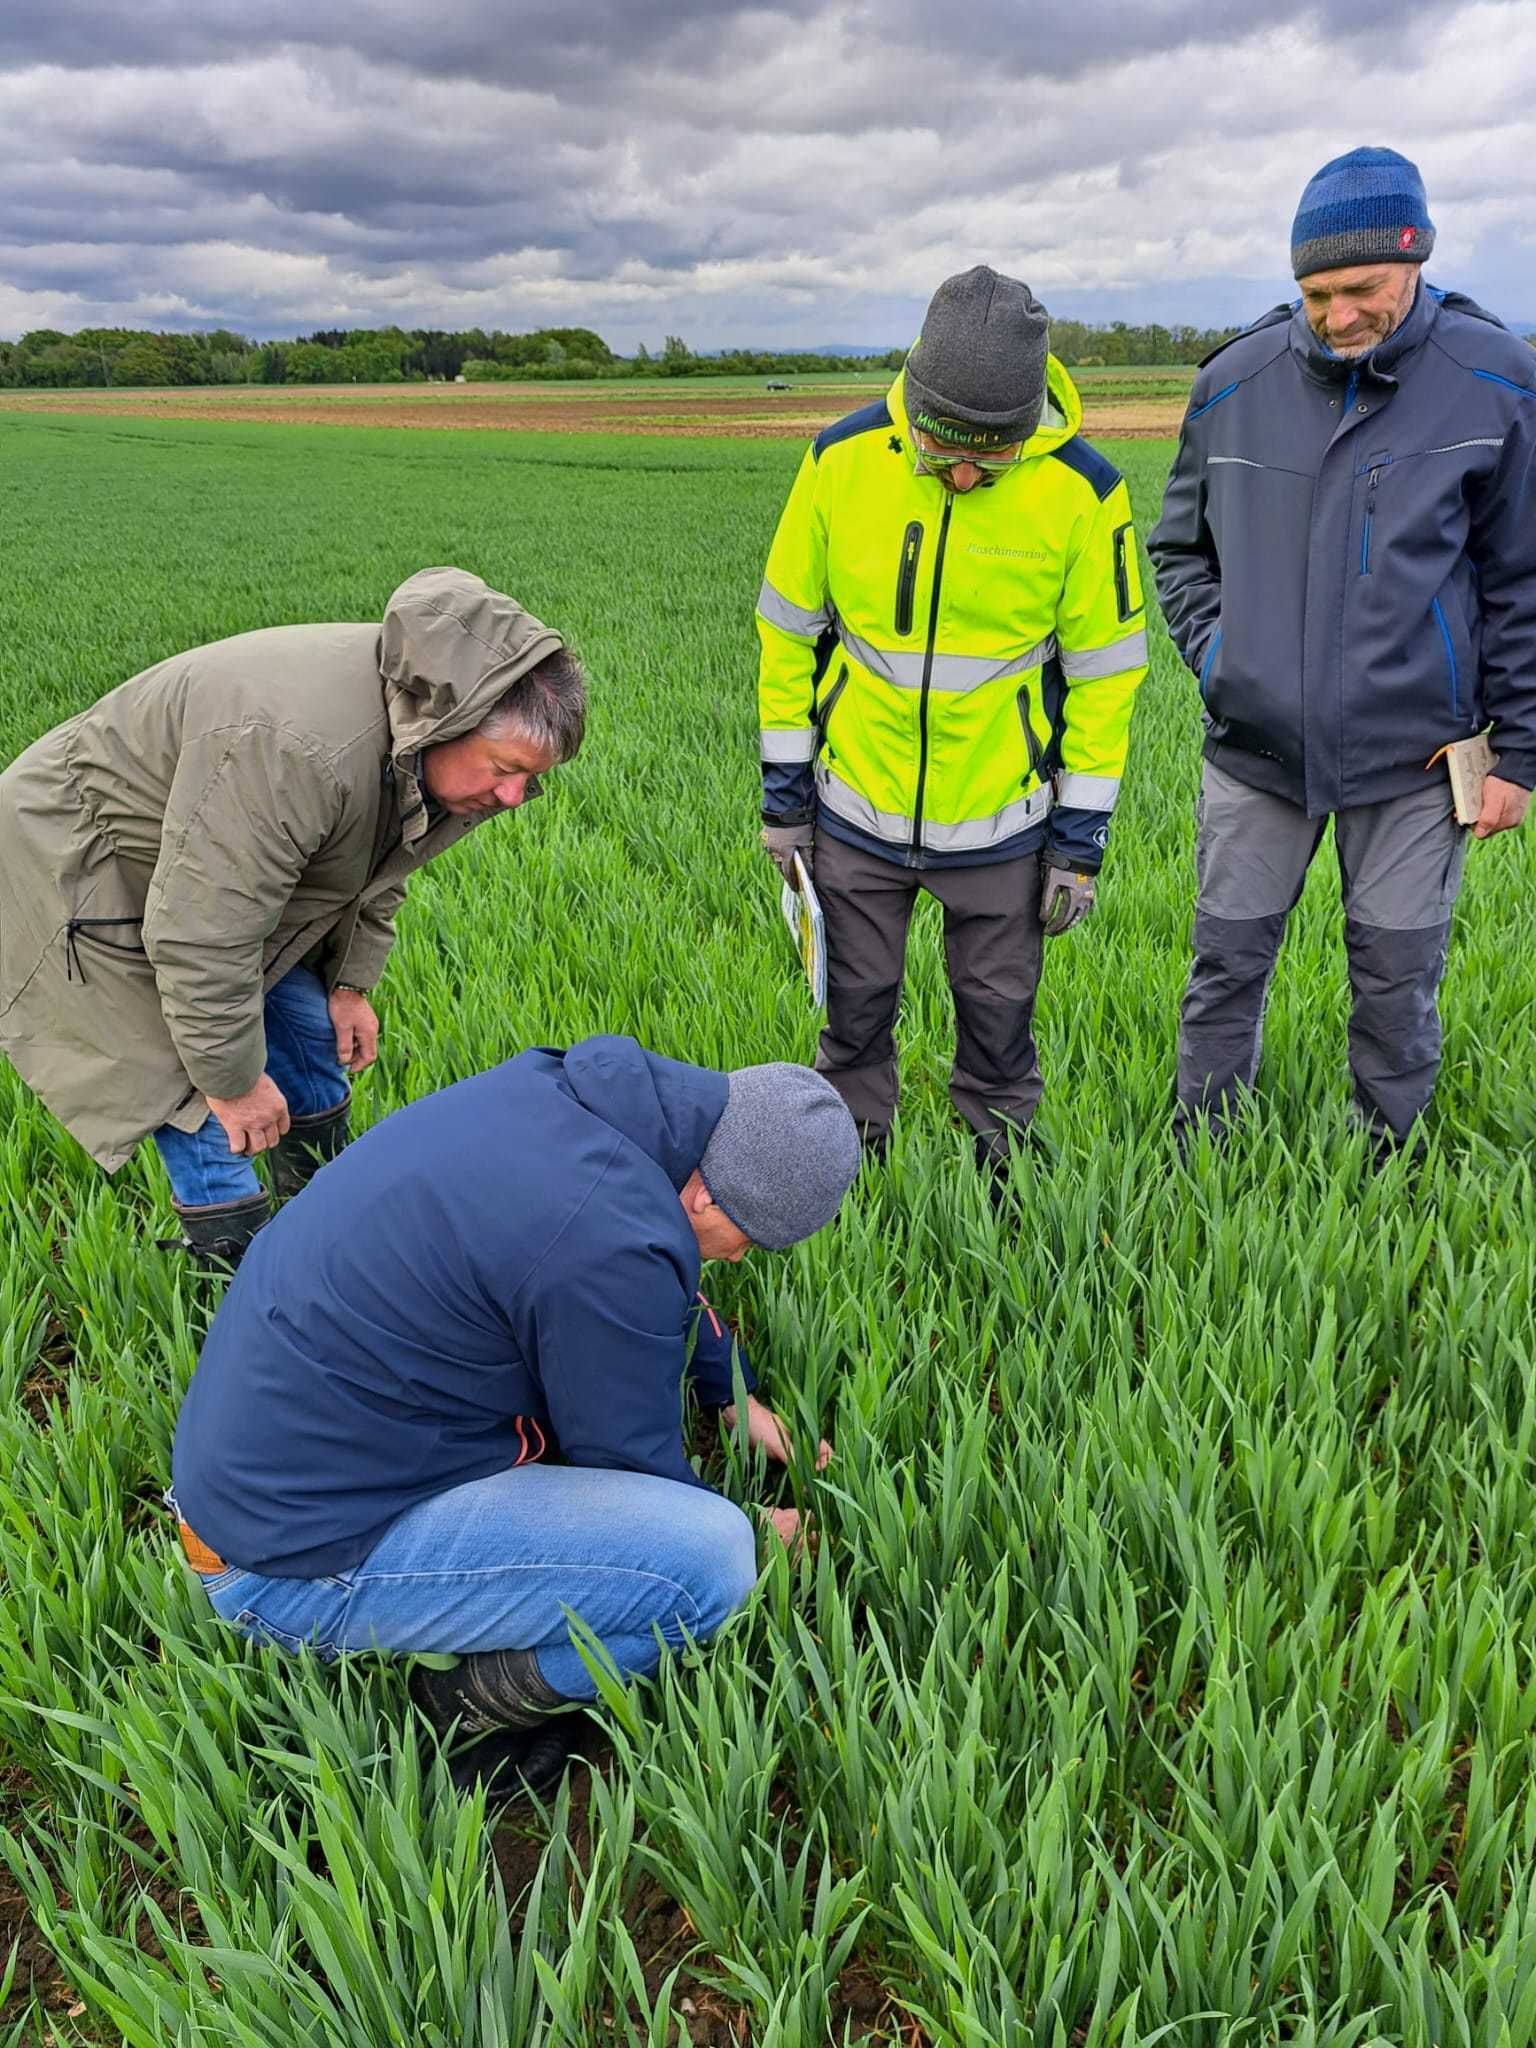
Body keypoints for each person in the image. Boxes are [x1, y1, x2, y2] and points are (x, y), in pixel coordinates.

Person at [169, 1035, 859, 1797]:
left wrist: (731, 1390)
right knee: (709, 1563)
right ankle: (466, 1702)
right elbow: (633, 1476)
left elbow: (623, 1252)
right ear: (705, 1195)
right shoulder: (612, 1239)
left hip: (255, 1474)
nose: (734, 1260)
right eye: (747, 1241)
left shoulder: (579, 1100)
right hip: (282, 1562)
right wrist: (760, 1530)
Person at [0, 567, 584, 1264]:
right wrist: (235, 1085)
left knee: (310, 1045)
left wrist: (350, 984)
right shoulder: (297, 748)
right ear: (452, 724)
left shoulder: (430, 743)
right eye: (504, 768)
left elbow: (384, 858)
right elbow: (200, 936)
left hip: (209, 877)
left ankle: (322, 1236)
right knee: (197, 1107)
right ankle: (236, 1296)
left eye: (533, 778)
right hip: (81, 871)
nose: (515, 795)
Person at [1149, 148, 1535, 1151]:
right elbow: (1180, 551)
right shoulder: (1232, 385)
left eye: (1360, 289)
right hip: (1256, 752)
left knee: (1397, 977)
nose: (1336, 315)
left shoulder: (1495, 382)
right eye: (1314, 293)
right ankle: (1207, 1151)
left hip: (1415, 760)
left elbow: (1523, 577)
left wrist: (1523, 753)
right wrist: (1227, 657)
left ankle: (1386, 1163)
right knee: (1225, 965)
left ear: (1415, 259)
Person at [755, 265, 1148, 1174]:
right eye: (943, 448)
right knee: (850, 1014)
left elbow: (1106, 679)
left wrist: (1078, 845)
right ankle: (851, 1172)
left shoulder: (1086, 496)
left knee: (1000, 1026)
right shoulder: (840, 462)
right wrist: (785, 805)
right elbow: (786, 638)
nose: (965, 470)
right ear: (911, 406)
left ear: (1029, 431)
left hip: (1007, 831)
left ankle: (1001, 1185)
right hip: (855, 812)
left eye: (993, 453)